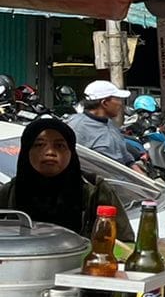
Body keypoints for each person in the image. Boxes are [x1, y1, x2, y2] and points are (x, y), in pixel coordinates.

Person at [0, 118, 133, 240]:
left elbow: (123, 242)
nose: (50, 152)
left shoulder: (94, 190)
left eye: (59, 146)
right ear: (26, 151)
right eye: (39, 145)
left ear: (71, 152)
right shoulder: (10, 192)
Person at [67, 80, 140, 167]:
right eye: (117, 99)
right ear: (104, 103)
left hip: (123, 177)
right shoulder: (77, 127)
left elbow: (127, 160)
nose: (121, 104)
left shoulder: (109, 123)